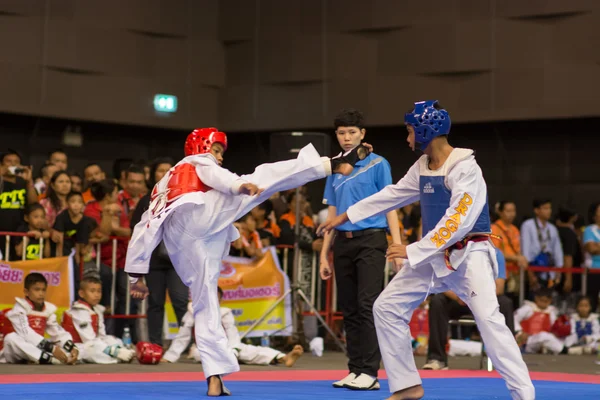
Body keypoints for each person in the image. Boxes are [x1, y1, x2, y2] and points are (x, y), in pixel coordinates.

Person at [125, 127, 370, 396]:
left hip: (181, 243)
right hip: (200, 217)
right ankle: (331, 164)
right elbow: (215, 175)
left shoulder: (162, 186)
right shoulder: (196, 162)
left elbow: (144, 227)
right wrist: (237, 185)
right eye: (216, 150)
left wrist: (136, 274)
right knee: (262, 178)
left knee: (205, 303)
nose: (219, 157)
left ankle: (214, 375)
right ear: (202, 147)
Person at [318, 101, 534, 400]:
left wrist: (412, 249)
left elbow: (457, 221)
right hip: (431, 257)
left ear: (424, 131)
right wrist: (348, 214)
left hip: (467, 255)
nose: (406, 139)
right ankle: (407, 386)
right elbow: (393, 194)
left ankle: (524, 393)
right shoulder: (422, 166)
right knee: (386, 307)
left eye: (409, 132)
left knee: (489, 320)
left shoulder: (465, 168)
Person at [319, 109, 402, 390]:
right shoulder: (334, 168)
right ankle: (355, 370)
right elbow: (332, 213)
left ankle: (370, 372)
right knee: (349, 309)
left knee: (367, 305)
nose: (346, 138)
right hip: (342, 241)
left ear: (362, 134)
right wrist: (323, 254)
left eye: (352, 132)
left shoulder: (379, 164)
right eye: (342, 133)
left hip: (371, 240)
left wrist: (397, 244)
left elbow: (390, 203)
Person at [162, 287, 304, 367]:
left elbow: (233, 335)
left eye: (215, 298)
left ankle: (284, 358)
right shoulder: (193, 312)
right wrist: (170, 356)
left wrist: (233, 351)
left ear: (220, 300)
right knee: (201, 354)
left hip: (226, 346)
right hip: (202, 348)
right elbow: (183, 336)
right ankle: (226, 358)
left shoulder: (225, 313)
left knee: (250, 350)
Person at [129, 157, 188, 347]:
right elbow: (136, 229)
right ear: (153, 175)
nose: (164, 174)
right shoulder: (147, 200)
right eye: (160, 170)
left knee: (180, 301)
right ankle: (156, 344)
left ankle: (190, 344)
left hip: (177, 260)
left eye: (168, 170)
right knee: (155, 302)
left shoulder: (184, 197)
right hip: (154, 260)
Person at [423, 249, 514, 370]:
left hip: (484, 299)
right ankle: (437, 358)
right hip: (459, 300)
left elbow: (499, 287)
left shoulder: (494, 253)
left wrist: (475, 297)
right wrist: (458, 296)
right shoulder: (451, 251)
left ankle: (508, 360)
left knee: (505, 303)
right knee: (437, 302)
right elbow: (440, 282)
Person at [0, 273, 79, 365]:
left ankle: (46, 358)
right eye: (37, 290)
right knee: (11, 338)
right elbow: (26, 333)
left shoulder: (48, 309)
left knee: (73, 349)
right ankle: (50, 359)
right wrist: (52, 349)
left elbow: (57, 332)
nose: (41, 293)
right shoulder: (19, 309)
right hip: (15, 352)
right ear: (26, 292)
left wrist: (72, 348)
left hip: (37, 348)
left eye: (43, 290)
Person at [61, 276, 136, 364]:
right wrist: (113, 351)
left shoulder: (97, 310)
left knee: (114, 340)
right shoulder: (78, 311)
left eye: (99, 291)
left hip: (93, 344)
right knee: (93, 351)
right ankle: (117, 357)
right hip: (78, 347)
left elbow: (102, 336)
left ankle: (121, 354)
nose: (96, 295)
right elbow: (89, 340)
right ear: (81, 293)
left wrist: (113, 345)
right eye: (92, 291)